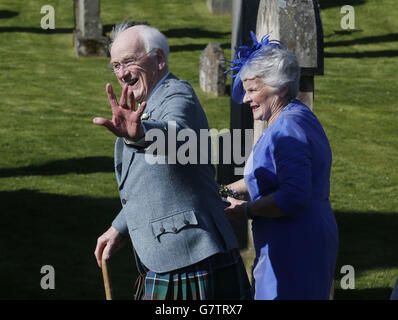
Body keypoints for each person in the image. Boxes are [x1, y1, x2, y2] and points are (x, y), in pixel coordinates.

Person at [92, 23, 251, 300]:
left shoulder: (178, 96)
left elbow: (178, 137)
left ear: (159, 60)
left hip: (193, 255)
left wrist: (142, 134)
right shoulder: (144, 104)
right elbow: (146, 182)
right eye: (115, 65)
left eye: (129, 61)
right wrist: (119, 227)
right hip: (169, 258)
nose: (122, 73)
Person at [224, 32, 338, 300]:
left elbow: (293, 197)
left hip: (295, 243)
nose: (245, 99)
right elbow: (265, 174)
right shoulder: (293, 115)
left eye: (252, 90)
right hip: (295, 237)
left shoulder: (288, 127)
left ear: (281, 87)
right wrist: (222, 190)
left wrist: (247, 210)